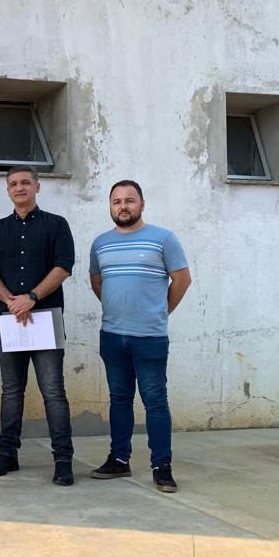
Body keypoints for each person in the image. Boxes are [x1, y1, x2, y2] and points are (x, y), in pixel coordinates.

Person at [89, 180, 192, 493]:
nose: (123, 206)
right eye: (116, 201)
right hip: (112, 336)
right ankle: (119, 460)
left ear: (142, 204)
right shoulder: (100, 244)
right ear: (110, 206)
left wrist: (160, 312)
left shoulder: (162, 239)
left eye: (129, 200)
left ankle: (162, 466)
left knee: (155, 401)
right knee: (119, 400)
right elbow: (97, 283)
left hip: (150, 338)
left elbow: (182, 280)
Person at [0, 165, 76, 486]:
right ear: (8, 191)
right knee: (11, 392)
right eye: (13, 184)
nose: (19, 188)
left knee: (53, 392)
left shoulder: (57, 225)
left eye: (25, 182)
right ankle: (8, 454)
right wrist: (11, 300)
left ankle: (63, 460)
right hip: (9, 319)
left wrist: (31, 297)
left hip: (45, 319)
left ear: (38, 186)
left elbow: (64, 267)